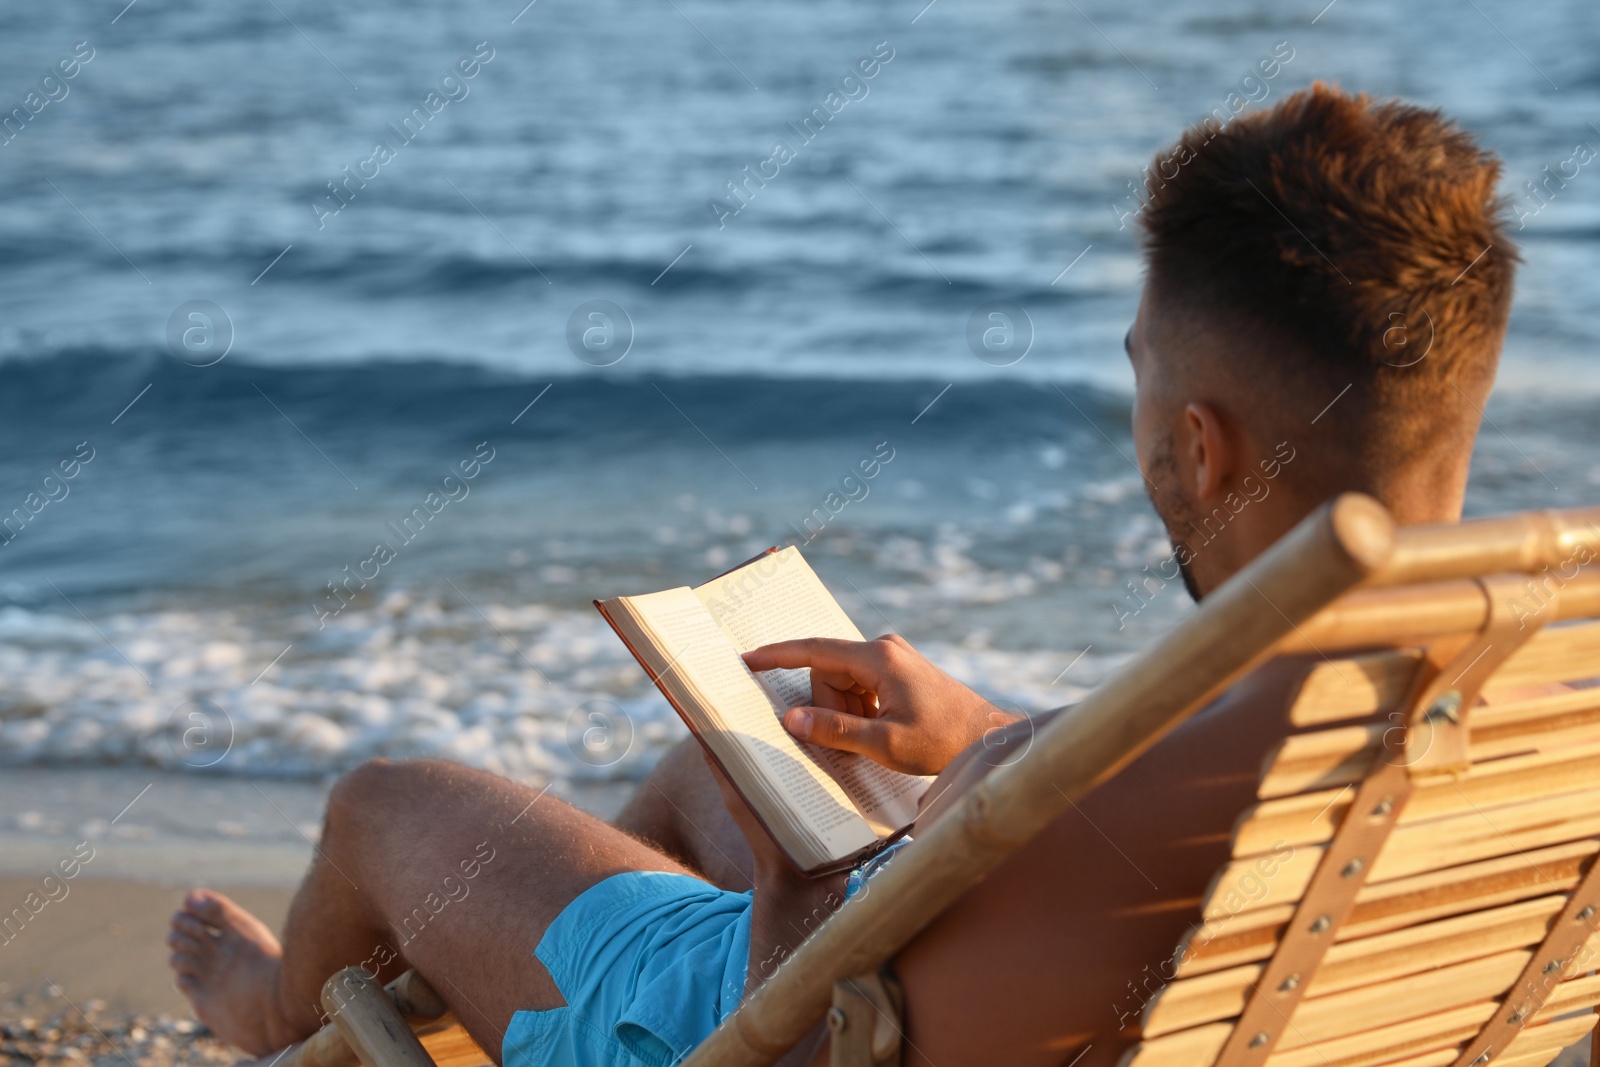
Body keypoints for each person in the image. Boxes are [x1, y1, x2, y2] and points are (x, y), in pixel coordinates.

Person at [166, 84, 1517, 1067]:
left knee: (383, 806)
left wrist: (791, 887)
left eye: (1141, 383)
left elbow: (799, 1042)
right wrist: (989, 737)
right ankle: (540, 969)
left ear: (1201, 450)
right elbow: (1149, 811)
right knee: (714, 775)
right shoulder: (1519, 687)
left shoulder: (1148, 777)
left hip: (771, 1021)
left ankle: (281, 1015)